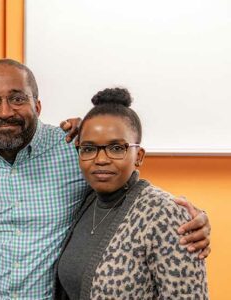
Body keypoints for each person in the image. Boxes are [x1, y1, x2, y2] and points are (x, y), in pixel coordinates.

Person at [0, 59, 210, 299]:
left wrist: (187, 218)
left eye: (17, 98)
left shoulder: (73, 148)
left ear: (38, 107)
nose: (4, 111)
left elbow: (127, 187)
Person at [54, 88, 208, 299]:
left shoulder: (164, 214)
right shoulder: (85, 201)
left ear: (139, 156)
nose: (101, 159)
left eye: (117, 148)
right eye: (89, 149)